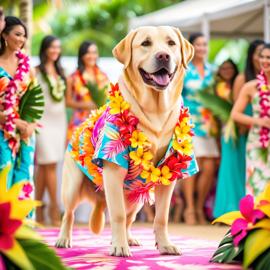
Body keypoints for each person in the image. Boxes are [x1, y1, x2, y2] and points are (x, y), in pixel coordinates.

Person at [182, 32, 219, 225]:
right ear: (191, 47)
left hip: (209, 124)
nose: (202, 48)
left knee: (209, 167)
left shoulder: (213, 71)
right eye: (199, 44)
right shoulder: (184, 69)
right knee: (191, 166)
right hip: (189, 123)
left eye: (205, 44)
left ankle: (198, 206)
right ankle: (189, 209)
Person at [0, 16, 36, 189]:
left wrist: (32, 125)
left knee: (23, 180)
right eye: (18, 34)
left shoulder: (28, 67)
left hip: (26, 132)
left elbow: (36, 100)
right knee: (3, 177)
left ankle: (23, 217)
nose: (22, 39)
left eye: (24, 36)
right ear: (4, 35)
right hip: (2, 131)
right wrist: (12, 121)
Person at [35, 35, 67, 225]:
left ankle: (38, 210)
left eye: (58, 47)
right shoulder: (35, 70)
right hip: (41, 121)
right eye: (52, 47)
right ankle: (55, 209)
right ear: (45, 49)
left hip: (59, 121)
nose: (55, 50)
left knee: (45, 168)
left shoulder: (61, 71)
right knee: (49, 164)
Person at [231, 43, 270, 197]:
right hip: (257, 141)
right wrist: (259, 121)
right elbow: (235, 114)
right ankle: (257, 217)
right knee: (256, 181)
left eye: (268, 57)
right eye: (262, 57)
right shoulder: (250, 87)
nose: (264, 60)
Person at [213, 59, 241, 217]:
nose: (227, 70)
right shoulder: (217, 88)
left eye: (230, 67)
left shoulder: (240, 83)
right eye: (223, 68)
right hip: (225, 129)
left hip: (241, 128)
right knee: (227, 168)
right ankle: (225, 209)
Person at [66, 41, 109, 142]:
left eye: (94, 52)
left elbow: (109, 98)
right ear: (82, 56)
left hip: (99, 124)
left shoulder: (103, 76)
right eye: (88, 53)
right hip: (79, 124)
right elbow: (67, 102)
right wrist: (85, 104)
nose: (92, 56)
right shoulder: (73, 77)